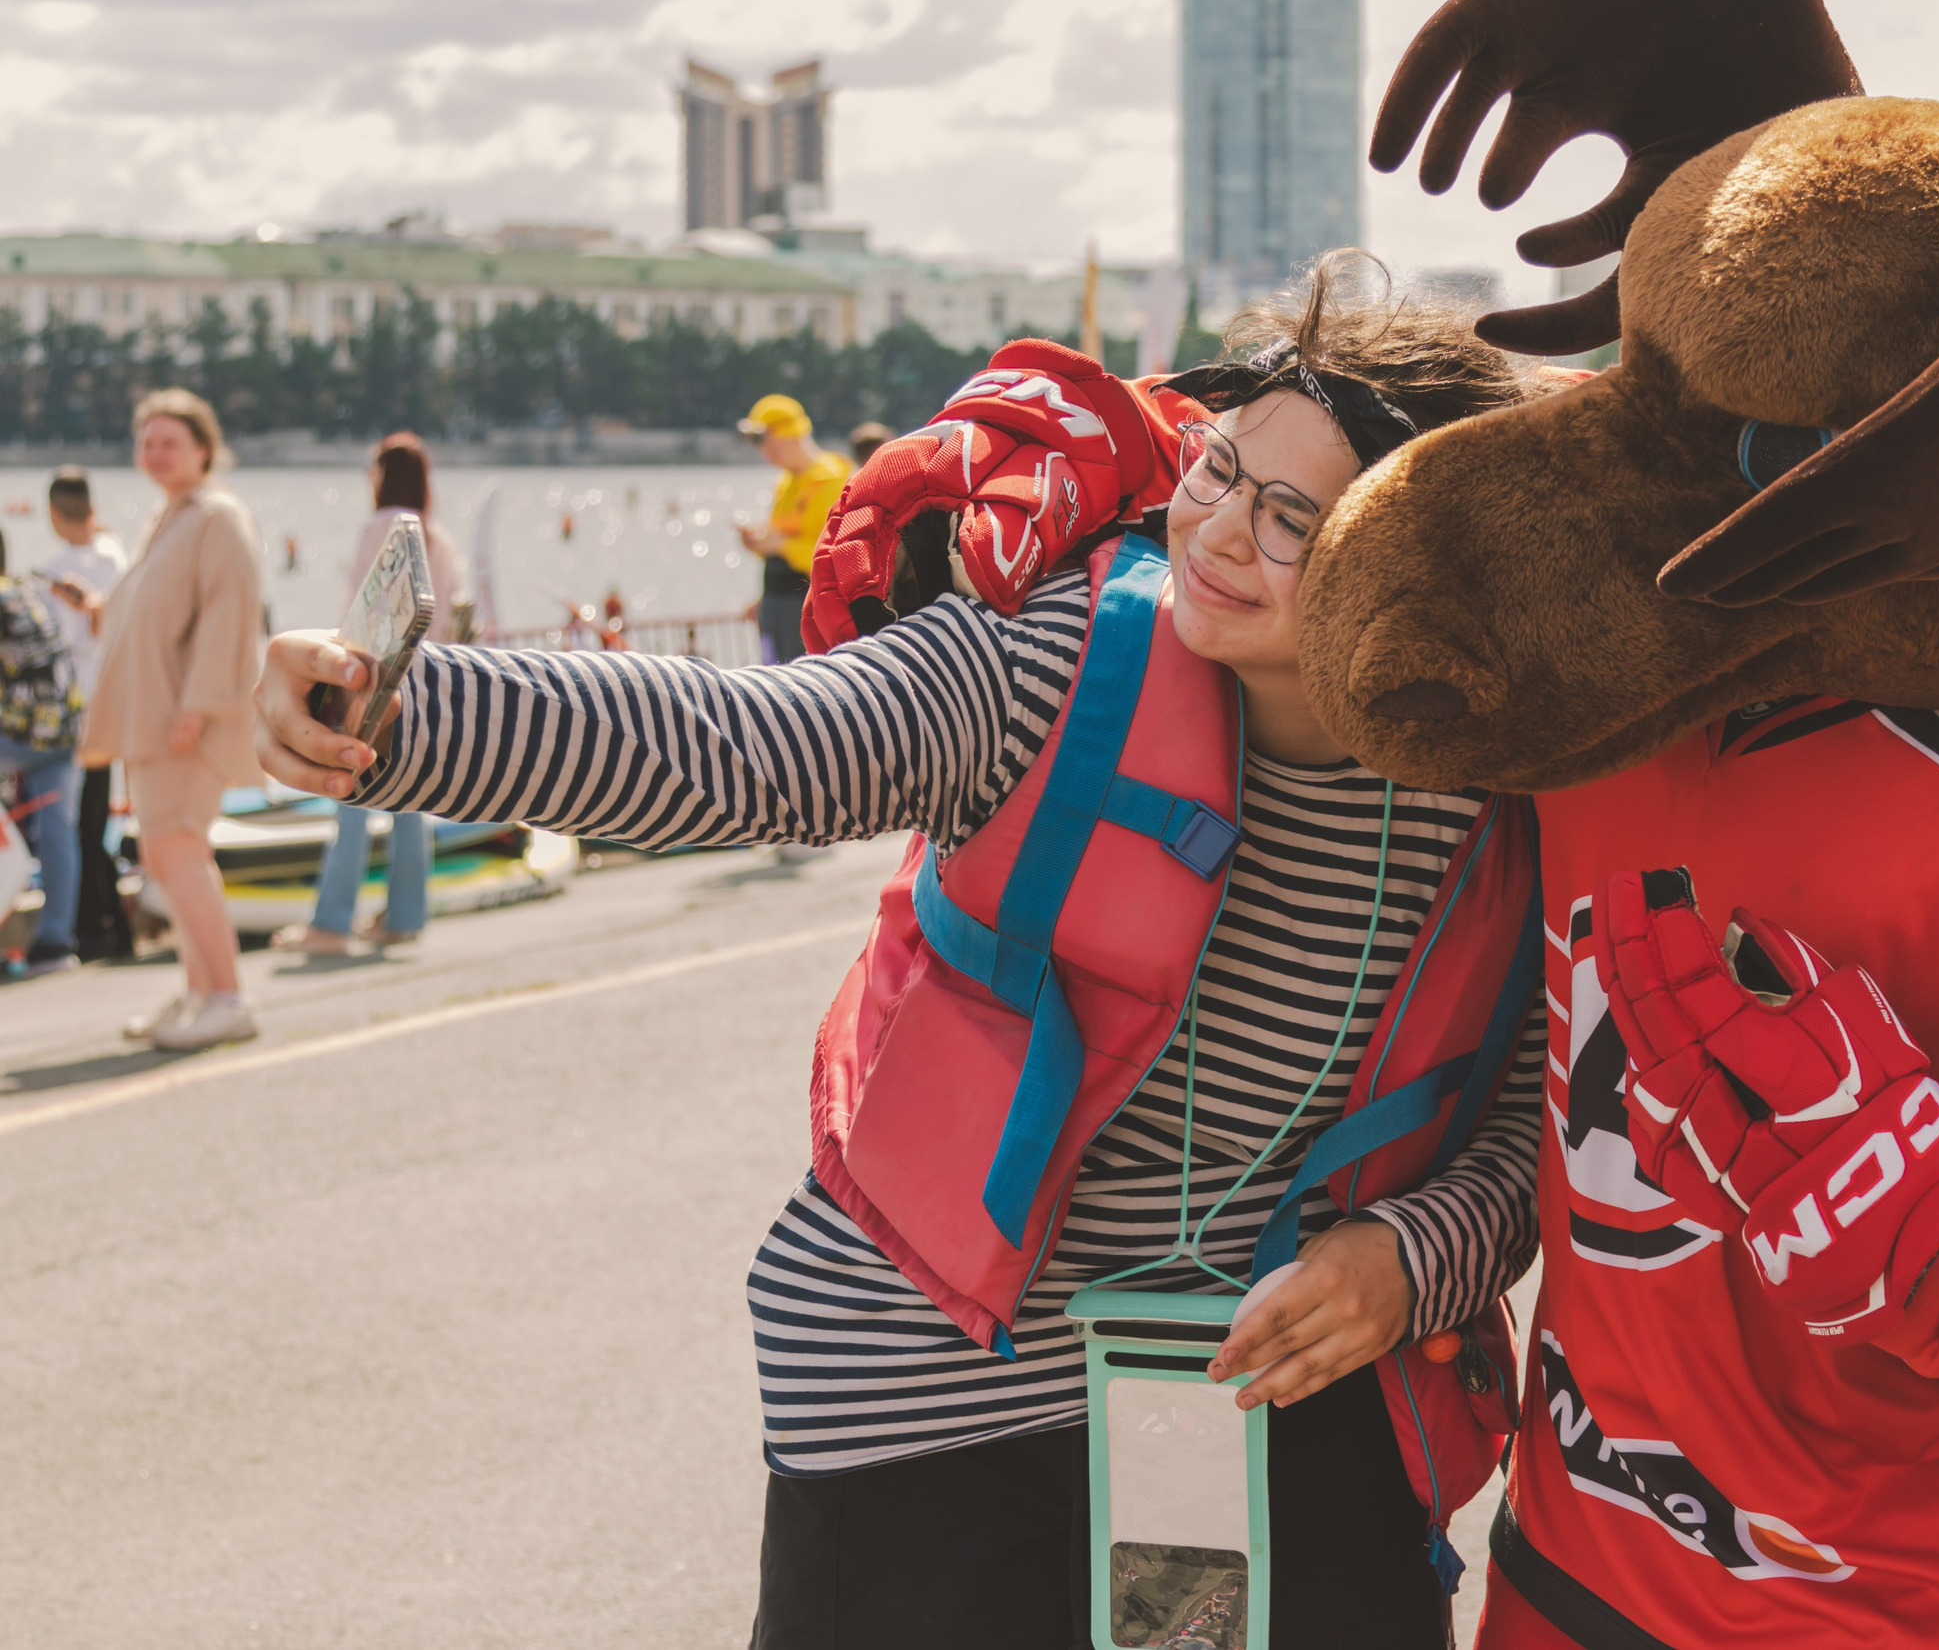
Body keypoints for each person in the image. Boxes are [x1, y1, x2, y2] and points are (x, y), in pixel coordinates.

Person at [255, 261, 1548, 1650]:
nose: (1221, 529)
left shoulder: (1502, 795)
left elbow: (1540, 1116)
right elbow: (744, 748)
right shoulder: (1060, 658)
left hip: (1268, 1393)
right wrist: (403, 713)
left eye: (1292, 515)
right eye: (1219, 468)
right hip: (931, 1394)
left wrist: (1413, 1259)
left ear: (1413, 560)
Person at [80, 388, 265, 1048]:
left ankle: (225, 995)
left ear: (203, 449)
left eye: (170, 441)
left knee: (176, 850)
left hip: (184, 719)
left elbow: (229, 612)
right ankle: (198, 991)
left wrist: (200, 705)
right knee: (169, 854)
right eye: (147, 441)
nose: (155, 453)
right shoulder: (171, 517)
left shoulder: (216, 515)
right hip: (154, 717)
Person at [274, 434, 464, 957]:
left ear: (384, 473)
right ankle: (404, 916)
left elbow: (362, 617)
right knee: (410, 806)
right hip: (424, 686)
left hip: (371, 686)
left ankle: (331, 923)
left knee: (350, 801)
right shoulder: (439, 537)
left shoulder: (381, 529)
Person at [34, 467, 134, 961]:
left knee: (76, 826)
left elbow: (61, 646)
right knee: (96, 821)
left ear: (54, 513)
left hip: (77, 711)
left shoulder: (54, 572)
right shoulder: (117, 557)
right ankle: (113, 929)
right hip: (117, 703)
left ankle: (91, 928)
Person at [0, 528, 84, 978]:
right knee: (58, 833)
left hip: (21, 737)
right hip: (67, 730)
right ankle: (55, 943)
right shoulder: (27, 591)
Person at [736, 395, 850, 664]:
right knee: (774, 678)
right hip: (777, 606)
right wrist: (759, 545)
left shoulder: (829, 479)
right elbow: (784, 546)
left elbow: (836, 555)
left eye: (763, 439)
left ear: (789, 433)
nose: (762, 449)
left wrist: (779, 545)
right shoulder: (785, 482)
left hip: (810, 609)